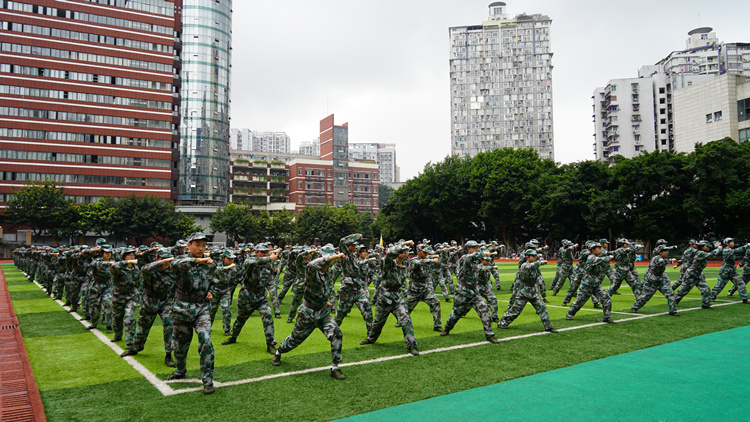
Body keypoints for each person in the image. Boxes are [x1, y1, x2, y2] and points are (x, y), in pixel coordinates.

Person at [273, 246, 346, 380]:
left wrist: (327, 301)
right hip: (307, 313)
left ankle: (335, 367)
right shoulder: (311, 270)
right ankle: (279, 351)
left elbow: (326, 288)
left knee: (337, 333)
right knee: (294, 340)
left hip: (323, 312)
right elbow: (312, 264)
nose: (329, 262)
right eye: (328, 259)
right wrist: (334, 256)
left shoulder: (328, 273)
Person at [165, 232, 217, 396]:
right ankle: (180, 370)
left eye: (203, 245)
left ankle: (207, 380)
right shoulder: (181, 261)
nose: (201, 248)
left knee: (206, 341)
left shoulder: (210, 264)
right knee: (180, 345)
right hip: (182, 308)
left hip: (202, 307)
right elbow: (176, 265)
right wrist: (197, 261)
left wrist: (211, 291)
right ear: (189, 246)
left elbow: (214, 281)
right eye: (197, 245)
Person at [360, 241, 421, 355]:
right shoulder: (388, 263)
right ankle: (371, 338)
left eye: (407, 250)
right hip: (384, 297)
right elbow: (389, 254)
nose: (406, 253)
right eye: (404, 251)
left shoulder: (405, 264)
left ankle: (412, 344)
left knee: (406, 319)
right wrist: (404, 244)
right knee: (378, 322)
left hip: (397, 297)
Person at [121, 249, 177, 367]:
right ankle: (136, 348)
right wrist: (162, 262)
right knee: (142, 328)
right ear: (157, 259)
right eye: (163, 259)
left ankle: (168, 354)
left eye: (169, 259)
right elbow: (144, 269)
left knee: (169, 324)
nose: (167, 262)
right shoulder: (150, 269)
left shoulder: (172, 271)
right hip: (149, 302)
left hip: (165, 301)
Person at [221, 243, 279, 354]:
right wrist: (269, 258)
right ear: (255, 253)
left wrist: (273, 293)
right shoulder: (250, 261)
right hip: (247, 296)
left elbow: (270, 280)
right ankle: (233, 336)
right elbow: (250, 263)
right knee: (240, 319)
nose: (265, 254)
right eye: (262, 252)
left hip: (261, 296)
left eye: (267, 252)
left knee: (268, 316)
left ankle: (270, 343)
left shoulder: (268, 264)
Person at [441, 241, 501, 343]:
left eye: (477, 247)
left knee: (484, 310)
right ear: (468, 249)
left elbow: (482, 265)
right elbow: (475, 256)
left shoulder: (476, 261)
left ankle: (489, 334)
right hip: (463, 291)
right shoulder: (466, 258)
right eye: (474, 247)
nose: (476, 249)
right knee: (456, 314)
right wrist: (484, 252)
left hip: (474, 291)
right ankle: (447, 328)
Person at [499, 249, 556, 332]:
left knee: (542, 308)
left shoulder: (534, 265)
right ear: (527, 257)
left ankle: (548, 326)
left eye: (535, 256)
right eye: (532, 256)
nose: (534, 257)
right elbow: (532, 266)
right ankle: (503, 323)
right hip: (524, 291)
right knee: (515, 310)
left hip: (533, 290)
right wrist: (542, 262)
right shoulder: (524, 265)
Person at [565, 243, 616, 324]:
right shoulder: (591, 257)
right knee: (580, 301)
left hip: (596, 283)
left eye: (600, 248)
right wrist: (609, 257)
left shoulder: (597, 256)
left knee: (606, 299)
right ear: (593, 250)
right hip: (587, 284)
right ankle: (570, 313)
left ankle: (607, 317)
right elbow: (601, 260)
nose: (600, 250)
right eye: (598, 248)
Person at [334, 234, 373, 334]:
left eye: (355, 245)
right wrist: (357, 236)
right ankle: (332, 330)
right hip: (347, 289)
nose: (355, 247)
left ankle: (371, 334)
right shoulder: (345, 255)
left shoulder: (355, 257)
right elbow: (342, 241)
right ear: (348, 246)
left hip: (358, 288)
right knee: (341, 314)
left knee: (367, 310)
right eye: (353, 245)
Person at [673, 240, 721, 311]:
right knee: (683, 291)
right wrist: (719, 249)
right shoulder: (700, 253)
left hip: (698, 274)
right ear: (703, 246)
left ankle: (705, 304)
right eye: (707, 246)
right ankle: (673, 302)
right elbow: (711, 255)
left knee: (706, 289)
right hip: (691, 275)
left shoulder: (698, 252)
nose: (708, 248)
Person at [630, 245, 678, 316]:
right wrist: (671, 260)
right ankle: (634, 307)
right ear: (660, 252)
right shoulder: (656, 258)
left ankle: (672, 311)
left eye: (667, 251)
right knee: (645, 296)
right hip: (652, 280)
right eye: (664, 251)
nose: (666, 252)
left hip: (660, 279)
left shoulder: (660, 257)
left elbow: (668, 250)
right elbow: (661, 262)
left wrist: (673, 247)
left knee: (671, 294)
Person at [403, 245, 442, 332]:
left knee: (436, 303)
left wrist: (434, 256)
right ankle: (401, 321)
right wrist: (432, 260)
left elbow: (431, 257)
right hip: (415, 289)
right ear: (419, 251)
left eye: (427, 252)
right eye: (424, 252)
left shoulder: (427, 258)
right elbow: (419, 263)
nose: (426, 254)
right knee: (407, 308)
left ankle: (437, 325)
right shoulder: (413, 261)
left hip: (426, 288)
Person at [110, 247, 142, 348]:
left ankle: (130, 342)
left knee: (129, 317)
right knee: (117, 318)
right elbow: (114, 266)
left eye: (133, 255)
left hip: (131, 296)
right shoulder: (118, 267)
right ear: (123, 257)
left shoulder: (136, 269)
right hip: (118, 296)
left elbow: (138, 283)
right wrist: (127, 262)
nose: (132, 257)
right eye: (129, 255)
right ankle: (118, 334)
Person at [710, 237, 750, 303]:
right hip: (725, 271)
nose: (733, 243)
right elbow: (738, 250)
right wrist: (747, 245)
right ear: (727, 243)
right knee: (719, 285)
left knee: (740, 283)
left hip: (732, 270)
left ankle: (744, 298)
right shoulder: (726, 250)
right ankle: (711, 297)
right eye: (731, 242)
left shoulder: (730, 250)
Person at [210, 249, 239, 336]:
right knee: (212, 310)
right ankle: (207, 327)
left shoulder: (233, 269)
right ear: (224, 258)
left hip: (225, 291)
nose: (231, 261)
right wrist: (227, 267)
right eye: (229, 258)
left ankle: (227, 329)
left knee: (226, 309)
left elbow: (233, 281)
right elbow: (215, 270)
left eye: (232, 259)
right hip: (215, 290)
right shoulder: (217, 264)